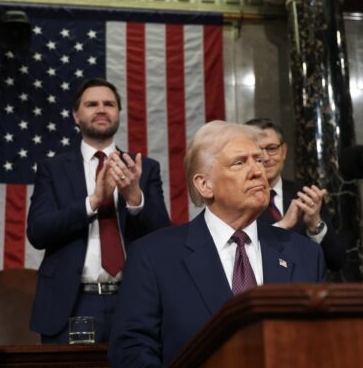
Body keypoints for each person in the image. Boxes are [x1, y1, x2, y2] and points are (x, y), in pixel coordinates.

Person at [108, 121, 324, 367]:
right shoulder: (154, 256)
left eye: (259, 161)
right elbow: (131, 350)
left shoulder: (305, 253)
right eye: (240, 162)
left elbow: (322, 345)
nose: (257, 171)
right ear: (205, 185)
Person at [27, 78, 170, 344]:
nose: (101, 109)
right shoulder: (53, 168)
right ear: (76, 115)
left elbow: (164, 235)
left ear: (118, 113)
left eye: (109, 104)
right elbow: (38, 232)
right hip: (73, 302)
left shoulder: (143, 168)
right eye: (92, 104)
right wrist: (92, 202)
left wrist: (134, 198)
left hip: (134, 298)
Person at [245, 118, 346, 272]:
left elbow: (337, 262)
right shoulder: (236, 201)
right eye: (258, 152)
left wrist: (315, 226)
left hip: (308, 292)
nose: (266, 158)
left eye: (272, 148)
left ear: (284, 151)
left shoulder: (305, 194)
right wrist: (283, 226)